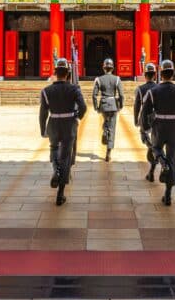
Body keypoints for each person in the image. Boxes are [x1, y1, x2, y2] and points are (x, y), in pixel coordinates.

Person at [140, 59, 175, 206]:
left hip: (159, 126)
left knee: (155, 148)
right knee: (173, 159)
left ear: (161, 73)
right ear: (173, 73)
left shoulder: (153, 91)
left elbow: (145, 111)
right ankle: (168, 194)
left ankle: (162, 161)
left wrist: (145, 127)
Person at [39, 58, 87, 206]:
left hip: (53, 123)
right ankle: (60, 194)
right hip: (69, 124)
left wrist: (43, 129)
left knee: (54, 148)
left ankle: (56, 170)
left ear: (55, 73)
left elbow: (42, 113)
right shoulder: (74, 89)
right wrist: (76, 117)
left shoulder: (46, 91)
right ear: (68, 73)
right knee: (66, 156)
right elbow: (83, 107)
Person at [92, 57, 124, 162]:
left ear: (103, 68)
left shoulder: (98, 79)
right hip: (113, 104)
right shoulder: (117, 79)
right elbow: (121, 95)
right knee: (112, 128)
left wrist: (96, 106)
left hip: (104, 104)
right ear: (113, 68)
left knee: (106, 121)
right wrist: (121, 105)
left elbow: (94, 95)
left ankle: (105, 130)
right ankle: (108, 152)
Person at [133, 61, 159, 182]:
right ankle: (152, 169)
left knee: (147, 141)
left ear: (145, 75)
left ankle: (153, 150)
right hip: (157, 120)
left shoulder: (140, 89)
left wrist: (135, 119)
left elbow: (137, 106)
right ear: (154, 75)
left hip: (145, 120)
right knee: (155, 143)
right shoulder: (159, 87)